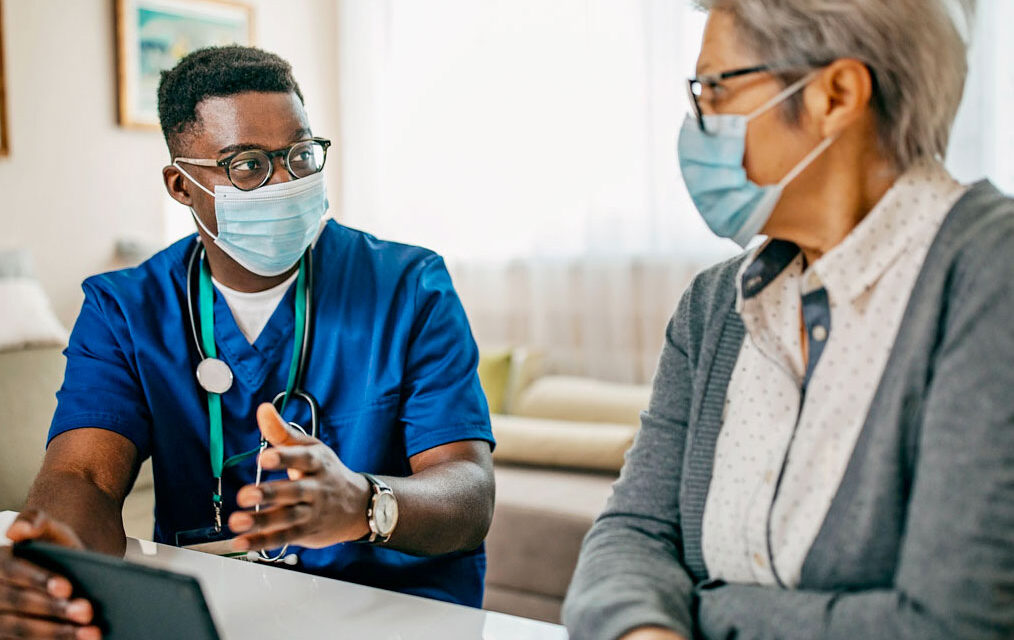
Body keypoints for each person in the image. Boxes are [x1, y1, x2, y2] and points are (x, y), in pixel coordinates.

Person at [1, 46, 495, 639]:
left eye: (301, 155)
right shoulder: (126, 310)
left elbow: (469, 491)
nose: (286, 182)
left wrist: (364, 503)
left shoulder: (407, 287)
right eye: (247, 165)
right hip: (212, 611)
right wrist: (55, 566)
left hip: (396, 615)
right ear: (181, 186)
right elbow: (83, 476)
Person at [564, 1, 1013, 639]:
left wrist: (704, 610)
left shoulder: (990, 275)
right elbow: (633, 533)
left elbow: (952, 625)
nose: (697, 120)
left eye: (715, 88)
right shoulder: (712, 307)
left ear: (836, 95)